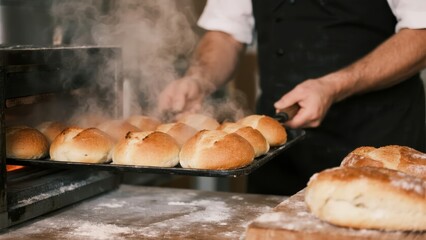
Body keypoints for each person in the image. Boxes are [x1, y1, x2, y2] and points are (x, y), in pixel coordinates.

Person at [158, 0, 426, 195]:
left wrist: (334, 85)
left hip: (377, 144)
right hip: (279, 150)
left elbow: (421, 32)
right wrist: (199, 78)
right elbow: (225, 34)